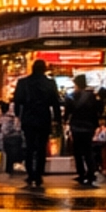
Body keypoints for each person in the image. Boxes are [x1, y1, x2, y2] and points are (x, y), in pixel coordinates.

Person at [13, 58, 64, 190]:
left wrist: (19, 115)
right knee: (41, 147)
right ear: (44, 69)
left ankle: (30, 173)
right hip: (43, 117)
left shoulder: (23, 83)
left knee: (29, 147)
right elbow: (55, 103)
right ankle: (39, 174)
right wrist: (57, 120)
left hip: (28, 118)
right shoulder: (50, 83)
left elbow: (17, 101)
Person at [65, 73, 105, 187]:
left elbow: (68, 112)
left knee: (77, 151)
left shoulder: (71, 96)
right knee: (88, 150)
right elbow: (100, 109)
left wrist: (65, 121)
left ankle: (81, 173)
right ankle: (91, 172)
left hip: (76, 126)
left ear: (76, 84)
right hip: (89, 126)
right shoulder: (93, 96)